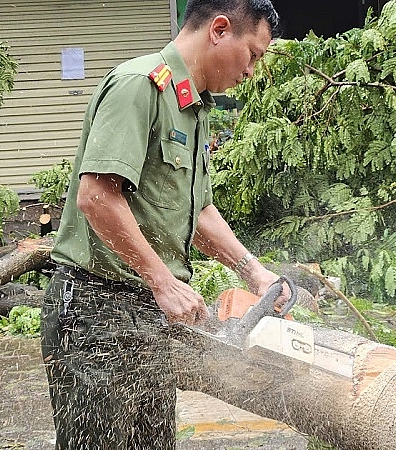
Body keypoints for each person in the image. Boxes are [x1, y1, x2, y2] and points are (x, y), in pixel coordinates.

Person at [40, 0, 283, 448]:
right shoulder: (140, 86)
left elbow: (200, 211)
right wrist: (163, 281)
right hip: (97, 310)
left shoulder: (192, 107)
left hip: (148, 313)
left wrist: (253, 271)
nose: (252, 71)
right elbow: (96, 197)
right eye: (253, 54)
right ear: (220, 29)